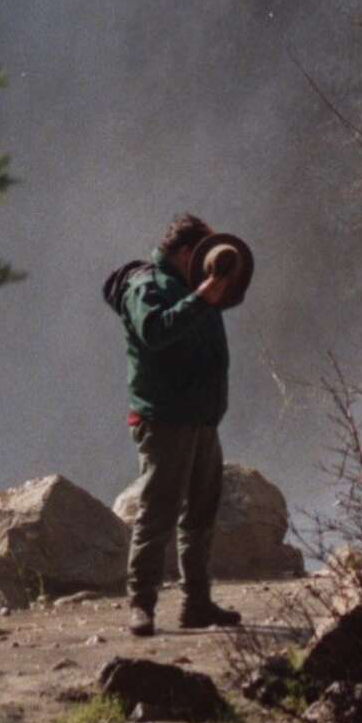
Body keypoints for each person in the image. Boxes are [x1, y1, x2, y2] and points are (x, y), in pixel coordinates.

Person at [120, 210, 245, 635]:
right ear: (186, 251)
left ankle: (197, 603)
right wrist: (203, 295)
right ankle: (141, 605)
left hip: (202, 418)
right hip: (165, 419)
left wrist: (213, 285)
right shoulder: (145, 284)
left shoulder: (194, 284)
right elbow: (155, 332)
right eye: (204, 252)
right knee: (158, 514)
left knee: (200, 515)